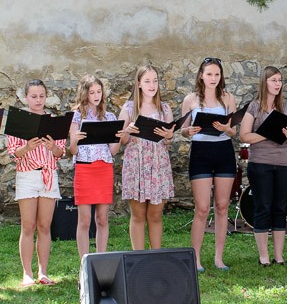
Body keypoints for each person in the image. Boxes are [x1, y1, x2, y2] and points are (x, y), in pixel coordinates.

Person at [6, 79, 66, 286]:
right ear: (26, 97)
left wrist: (52, 147)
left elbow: (60, 152)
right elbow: (13, 153)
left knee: (44, 226)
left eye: (42, 96)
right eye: (34, 96)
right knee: (28, 225)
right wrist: (28, 147)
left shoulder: (54, 121)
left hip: (48, 175)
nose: (38, 100)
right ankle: (27, 273)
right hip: (27, 175)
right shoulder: (19, 121)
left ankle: (43, 272)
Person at [181, 57, 239, 271]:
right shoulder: (190, 99)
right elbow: (183, 130)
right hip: (200, 152)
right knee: (202, 208)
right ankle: (195, 259)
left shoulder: (228, 98)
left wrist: (226, 129)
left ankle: (218, 258)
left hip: (223, 151)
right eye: (209, 74)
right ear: (201, 76)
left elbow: (233, 131)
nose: (213, 78)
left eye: (217, 74)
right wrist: (189, 131)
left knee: (222, 206)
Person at [240, 65, 287, 266]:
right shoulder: (254, 107)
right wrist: (267, 133)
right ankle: (263, 256)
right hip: (260, 163)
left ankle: (279, 256)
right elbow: (244, 135)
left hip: (284, 163)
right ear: (264, 82)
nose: (277, 84)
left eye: (280, 80)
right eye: (274, 80)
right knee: (263, 207)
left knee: (280, 207)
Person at [118, 64, 175, 251]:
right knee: (138, 215)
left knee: (156, 215)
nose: (152, 85)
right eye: (147, 81)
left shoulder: (164, 109)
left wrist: (168, 136)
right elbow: (121, 140)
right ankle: (138, 257)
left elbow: (169, 141)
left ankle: (155, 256)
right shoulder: (129, 108)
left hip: (158, 164)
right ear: (139, 84)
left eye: (155, 81)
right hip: (137, 164)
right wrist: (128, 131)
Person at [67, 74, 119, 259]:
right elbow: (73, 150)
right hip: (85, 168)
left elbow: (113, 151)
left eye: (99, 91)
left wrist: (118, 138)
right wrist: (75, 139)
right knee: (84, 220)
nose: (96, 96)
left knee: (102, 218)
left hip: (104, 168)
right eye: (92, 92)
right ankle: (85, 262)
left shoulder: (109, 116)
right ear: (85, 93)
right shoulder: (76, 116)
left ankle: (101, 259)